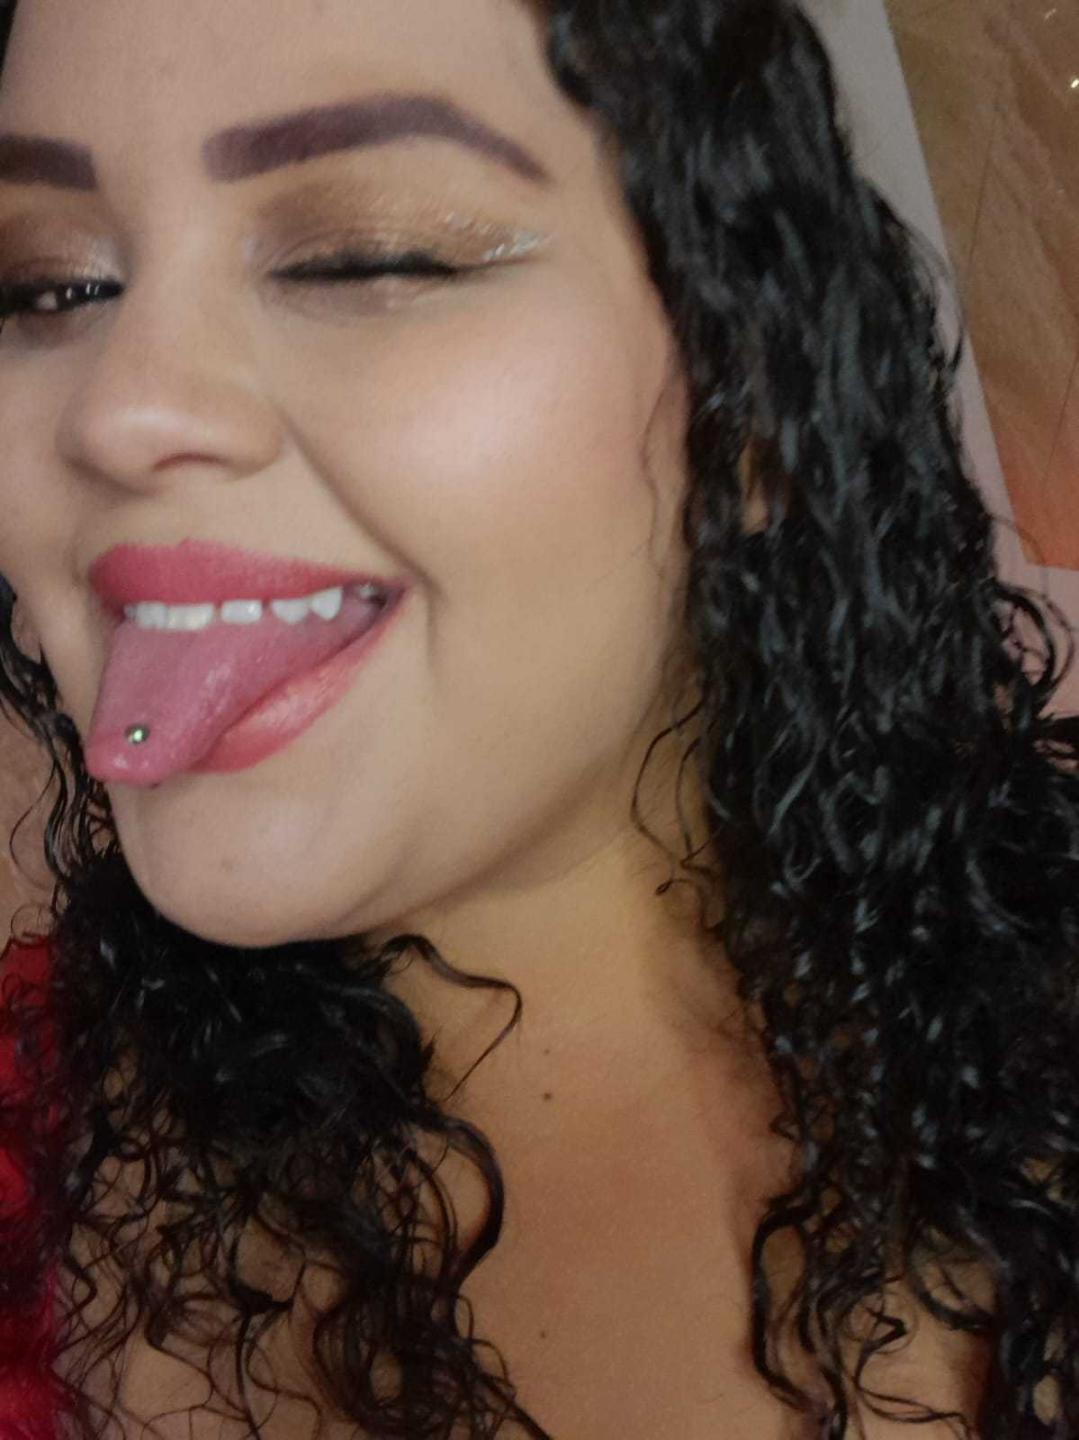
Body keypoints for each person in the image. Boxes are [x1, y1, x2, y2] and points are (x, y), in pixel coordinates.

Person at [0, 0, 1077, 1435]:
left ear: (753, 405)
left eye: (369, 255)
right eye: (49, 287)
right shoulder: (32, 1111)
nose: (115, 412)